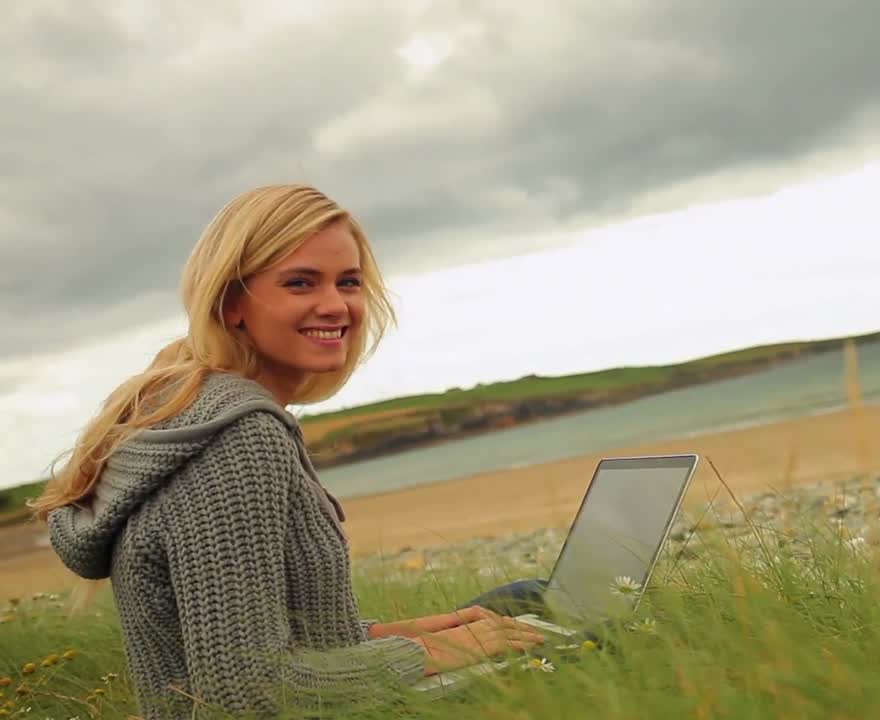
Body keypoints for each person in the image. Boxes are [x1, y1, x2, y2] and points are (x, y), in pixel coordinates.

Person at [30, 184, 547, 718]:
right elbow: (250, 695)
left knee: (523, 601)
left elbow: (236, 645)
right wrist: (427, 652)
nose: (336, 304)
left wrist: (385, 635)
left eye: (349, 282)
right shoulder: (237, 438)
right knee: (559, 623)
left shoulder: (195, 410)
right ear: (233, 304)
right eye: (300, 283)